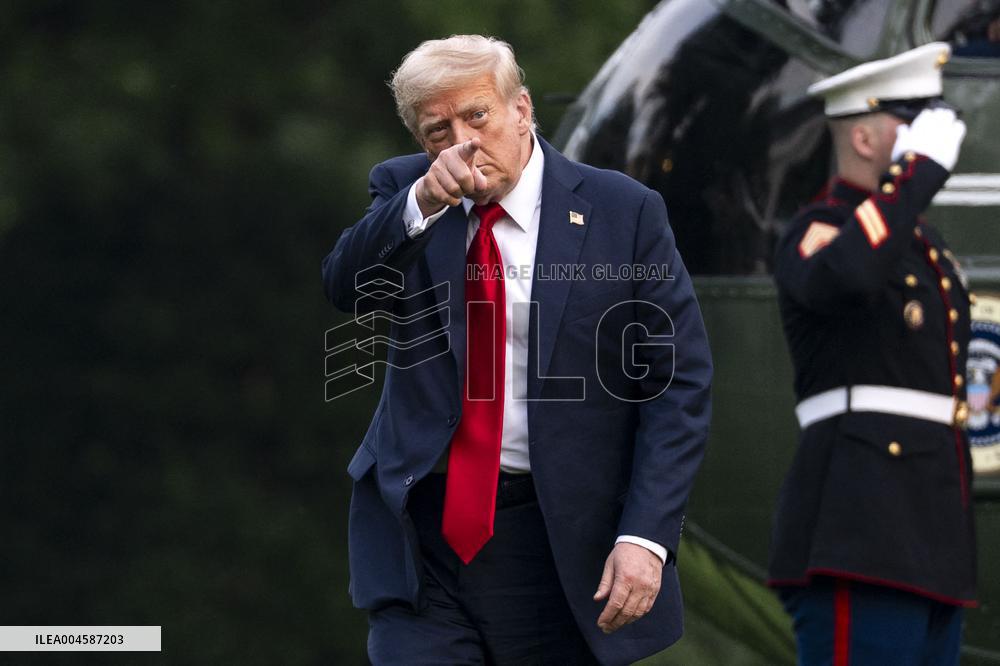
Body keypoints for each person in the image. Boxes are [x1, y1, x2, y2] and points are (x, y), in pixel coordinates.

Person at [322, 35, 712, 665]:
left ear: (522, 110)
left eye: (476, 116)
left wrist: (646, 536)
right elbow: (347, 286)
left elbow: (677, 386)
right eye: (437, 130)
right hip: (424, 539)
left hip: (556, 542)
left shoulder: (623, 212)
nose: (461, 143)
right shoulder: (405, 191)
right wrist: (421, 202)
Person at [768, 43, 976, 665]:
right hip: (860, 529)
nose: (931, 141)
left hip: (933, 538)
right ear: (864, 138)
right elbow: (849, 276)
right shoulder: (819, 229)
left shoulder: (923, 247)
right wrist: (913, 180)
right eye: (912, 123)